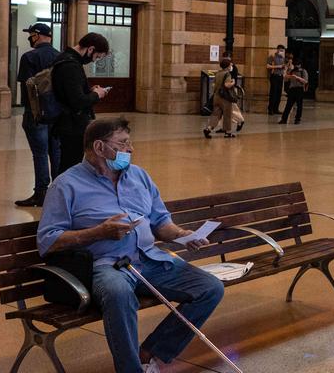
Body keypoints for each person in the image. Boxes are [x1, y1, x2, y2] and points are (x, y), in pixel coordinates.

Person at [37, 118, 223, 373]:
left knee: (210, 287)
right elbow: (48, 241)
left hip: (149, 258)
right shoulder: (66, 185)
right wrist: (98, 232)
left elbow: (160, 222)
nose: (131, 149)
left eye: (129, 142)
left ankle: (151, 352)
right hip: (107, 266)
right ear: (100, 147)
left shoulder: (139, 176)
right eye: (123, 144)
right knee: (118, 293)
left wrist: (184, 235)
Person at [51, 33, 111, 178]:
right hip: (72, 125)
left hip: (67, 122)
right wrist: (98, 94)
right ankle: (64, 196)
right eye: (96, 57)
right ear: (90, 49)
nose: (93, 61)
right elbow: (77, 102)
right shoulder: (70, 65)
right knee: (70, 166)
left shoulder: (66, 59)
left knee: (69, 164)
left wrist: (89, 91)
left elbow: (71, 93)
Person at [15, 22, 60, 207]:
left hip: (36, 113)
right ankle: (59, 190)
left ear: (36, 35)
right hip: (56, 113)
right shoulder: (60, 56)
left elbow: (27, 87)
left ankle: (41, 192)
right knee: (56, 152)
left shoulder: (29, 57)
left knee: (40, 154)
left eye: (31, 35)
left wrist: (29, 111)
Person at [202, 57, 243, 139]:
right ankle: (227, 132)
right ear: (227, 66)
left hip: (216, 96)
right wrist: (233, 82)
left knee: (216, 114)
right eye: (230, 64)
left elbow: (214, 85)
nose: (231, 65)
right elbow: (226, 85)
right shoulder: (227, 74)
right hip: (225, 98)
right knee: (227, 115)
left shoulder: (218, 73)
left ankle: (208, 128)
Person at [279, 56, 308, 124]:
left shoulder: (303, 71)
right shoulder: (292, 71)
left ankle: (297, 119)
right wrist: (288, 76)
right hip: (292, 89)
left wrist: (297, 77)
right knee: (288, 105)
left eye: (297, 64)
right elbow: (286, 79)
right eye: (295, 64)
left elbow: (305, 81)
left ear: (300, 64)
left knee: (299, 105)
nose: (296, 66)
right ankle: (284, 119)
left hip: (299, 89)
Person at [266, 44, 287, 116]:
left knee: (279, 93)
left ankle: (276, 108)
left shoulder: (283, 58)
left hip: (280, 76)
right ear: (277, 50)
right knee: (273, 93)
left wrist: (284, 68)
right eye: (281, 50)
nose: (282, 52)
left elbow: (283, 67)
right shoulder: (272, 57)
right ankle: (270, 109)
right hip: (274, 76)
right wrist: (278, 66)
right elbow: (268, 66)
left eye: (283, 51)